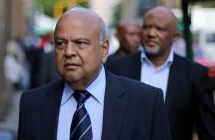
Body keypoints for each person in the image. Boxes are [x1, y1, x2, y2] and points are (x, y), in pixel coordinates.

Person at [17, 7, 171, 140]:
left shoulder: (147, 102)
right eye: (61, 43)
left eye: (80, 43)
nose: (69, 52)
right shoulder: (32, 104)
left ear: (103, 50)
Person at [106, 6, 215, 140]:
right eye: (146, 27)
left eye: (160, 29)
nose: (151, 33)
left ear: (175, 36)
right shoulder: (116, 68)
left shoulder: (195, 75)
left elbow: (208, 131)